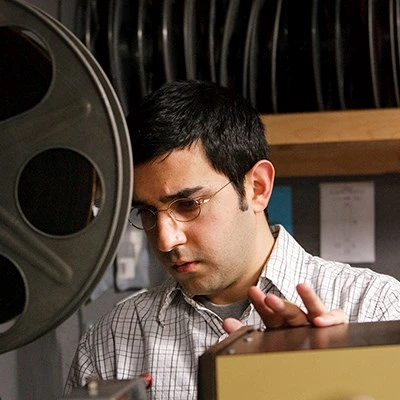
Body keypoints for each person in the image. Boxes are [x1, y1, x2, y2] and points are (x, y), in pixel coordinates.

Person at [64, 80, 400, 399]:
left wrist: (337, 374)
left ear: (257, 188)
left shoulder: (377, 310)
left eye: (188, 204)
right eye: (148, 212)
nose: (165, 240)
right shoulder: (110, 341)